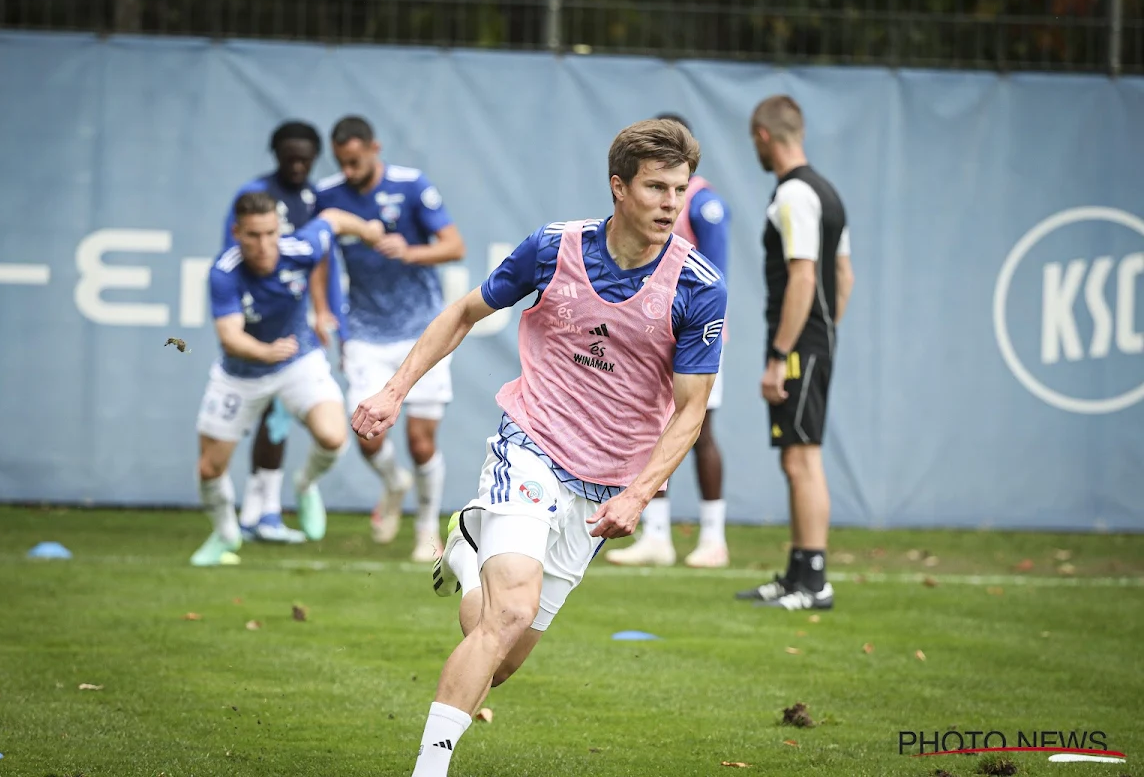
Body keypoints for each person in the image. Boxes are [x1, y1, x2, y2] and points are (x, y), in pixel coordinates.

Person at [351, 119, 726, 777]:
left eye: (681, 189)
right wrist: (393, 392)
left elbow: (691, 412)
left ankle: (468, 555)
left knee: (502, 654)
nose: (672, 203)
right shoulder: (554, 249)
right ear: (619, 187)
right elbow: (465, 313)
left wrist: (638, 494)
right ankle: (428, 770)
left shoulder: (699, 286)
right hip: (530, 444)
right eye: (657, 187)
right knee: (512, 610)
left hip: (605, 486)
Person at [190, 192, 382, 567]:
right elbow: (230, 336)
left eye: (269, 234)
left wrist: (369, 231)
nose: (263, 245)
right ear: (237, 232)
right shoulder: (224, 272)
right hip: (241, 376)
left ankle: (305, 483)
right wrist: (265, 352)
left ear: (279, 229)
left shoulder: (300, 248)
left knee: (333, 436)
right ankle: (225, 532)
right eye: (253, 236)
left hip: (298, 362)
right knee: (209, 469)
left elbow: (333, 219)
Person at [313, 115, 466, 563]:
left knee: (421, 442)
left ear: (374, 148)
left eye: (356, 161)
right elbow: (321, 256)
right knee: (366, 434)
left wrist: (410, 251)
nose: (350, 170)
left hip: (422, 330)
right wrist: (322, 308)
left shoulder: (412, 185)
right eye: (342, 162)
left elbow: (455, 246)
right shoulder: (328, 196)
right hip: (363, 331)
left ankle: (425, 528)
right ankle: (394, 483)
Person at [734, 95, 854, 611]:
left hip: (798, 344)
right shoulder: (827, 193)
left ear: (763, 136)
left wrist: (783, 353)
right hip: (813, 341)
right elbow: (844, 277)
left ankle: (815, 581)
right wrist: (826, 334)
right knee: (795, 457)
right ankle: (798, 573)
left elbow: (805, 276)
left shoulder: (793, 195)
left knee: (803, 458)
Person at [605, 111, 733, 569]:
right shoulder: (648, 196)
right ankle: (656, 534)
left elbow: (714, 276)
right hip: (649, 333)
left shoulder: (703, 203)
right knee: (651, 429)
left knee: (699, 429)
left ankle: (713, 537)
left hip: (696, 334)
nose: (667, 198)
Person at [219, 120, 345, 544]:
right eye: (289, 157)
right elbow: (238, 260)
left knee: (283, 418)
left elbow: (317, 254)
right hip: (260, 323)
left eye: (304, 158)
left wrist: (321, 309)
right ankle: (258, 511)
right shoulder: (254, 199)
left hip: (296, 326)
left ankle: (265, 509)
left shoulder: (316, 196)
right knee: (264, 418)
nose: (297, 165)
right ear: (275, 155)